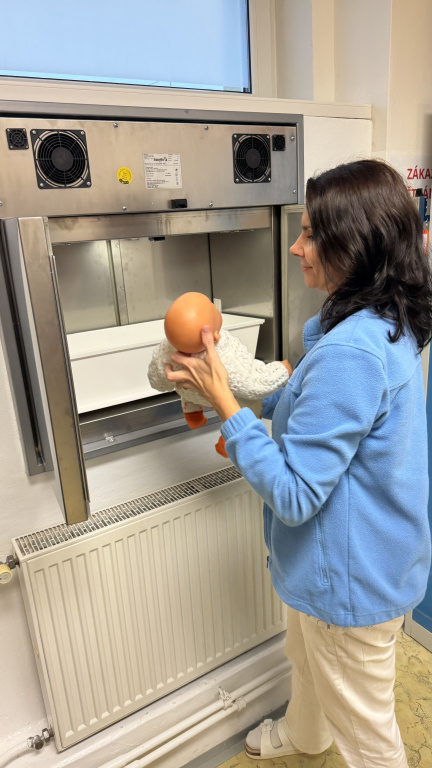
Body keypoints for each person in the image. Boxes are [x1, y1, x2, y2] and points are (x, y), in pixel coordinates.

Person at [164, 159, 432, 768]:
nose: (295, 246)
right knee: (307, 661)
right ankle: (307, 736)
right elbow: (322, 415)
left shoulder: (352, 352)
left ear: (353, 246)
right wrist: (248, 394)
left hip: (350, 581)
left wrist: (227, 407)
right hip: (353, 563)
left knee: (369, 736)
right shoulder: (381, 323)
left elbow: (293, 495)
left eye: (310, 234)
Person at [147, 291, 291, 456]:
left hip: (192, 394)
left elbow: (157, 381)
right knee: (249, 402)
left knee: (187, 384)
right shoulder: (224, 354)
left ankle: (193, 415)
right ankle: (229, 440)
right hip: (224, 398)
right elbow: (255, 384)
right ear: (214, 336)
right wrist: (281, 370)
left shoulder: (166, 351)